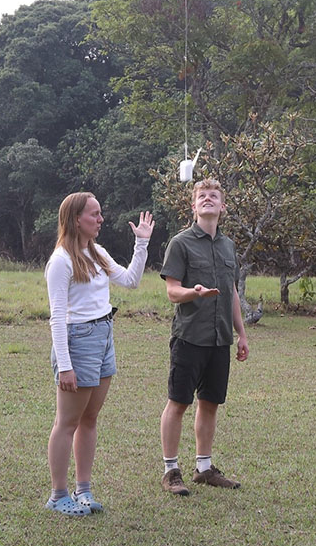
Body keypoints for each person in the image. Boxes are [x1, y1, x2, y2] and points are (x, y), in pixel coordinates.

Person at [45, 191, 154, 516]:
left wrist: (142, 243)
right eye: (95, 214)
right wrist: (65, 366)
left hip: (104, 335)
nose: (101, 219)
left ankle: (84, 490)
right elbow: (57, 317)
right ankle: (58, 494)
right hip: (79, 341)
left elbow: (131, 281)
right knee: (67, 422)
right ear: (76, 219)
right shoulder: (61, 261)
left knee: (89, 419)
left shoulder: (96, 252)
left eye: (100, 213)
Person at [159, 178, 248, 495]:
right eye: (202, 196)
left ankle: (204, 468)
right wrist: (191, 292)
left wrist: (241, 333)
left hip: (219, 339)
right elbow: (171, 291)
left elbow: (232, 291)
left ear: (222, 206)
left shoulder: (228, 246)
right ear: (193, 206)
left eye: (214, 196)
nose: (208, 199)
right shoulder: (180, 243)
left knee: (210, 403)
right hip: (189, 337)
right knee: (178, 403)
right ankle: (171, 471)